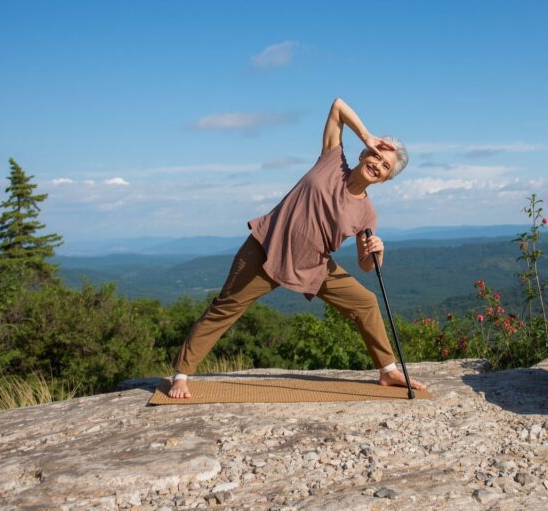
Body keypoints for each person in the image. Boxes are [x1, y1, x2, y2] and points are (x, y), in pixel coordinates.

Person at [168, 98, 427, 398]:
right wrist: (369, 135)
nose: (377, 165)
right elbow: (338, 107)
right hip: (267, 247)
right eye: (376, 156)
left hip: (312, 266)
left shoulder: (367, 213)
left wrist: (378, 251)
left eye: (385, 167)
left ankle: (387, 370)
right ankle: (181, 374)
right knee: (226, 307)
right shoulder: (332, 159)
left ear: (385, 179)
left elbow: (366, 266)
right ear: (364, 152)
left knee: (365, 302)